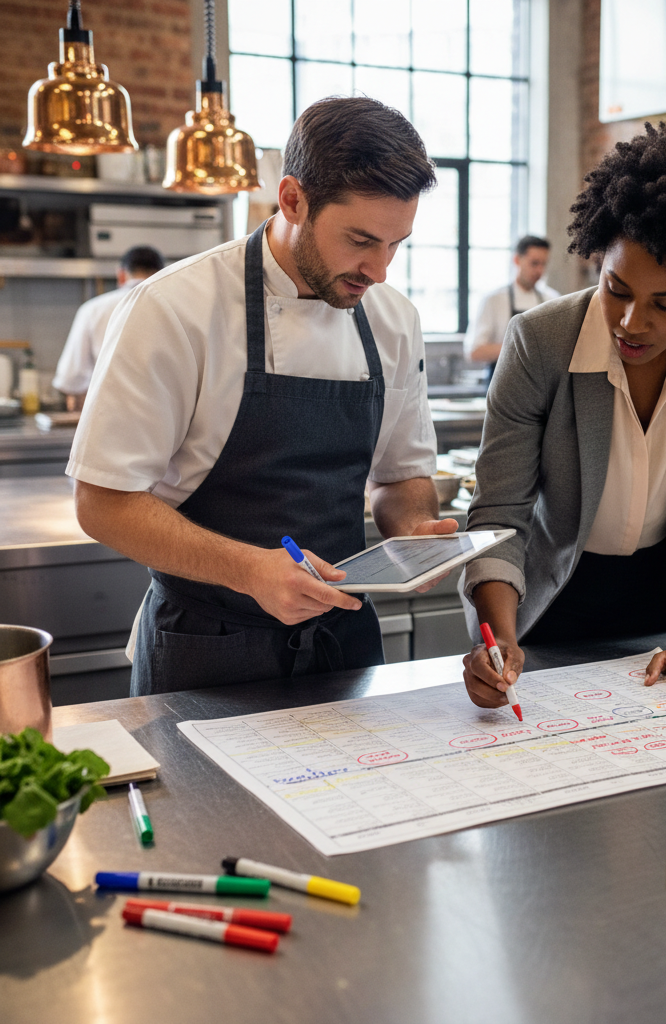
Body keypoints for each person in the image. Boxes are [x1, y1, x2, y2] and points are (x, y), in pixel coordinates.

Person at [68, 97, 458, 696]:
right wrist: (249, 570)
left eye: (395, 244)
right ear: (293, 199)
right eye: (360, 240)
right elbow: (102, 502)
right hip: (205, 650)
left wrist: (413, 531)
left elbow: (400, 476)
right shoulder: (175, 308)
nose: (378, 270)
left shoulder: (394, 320)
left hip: (345, 647)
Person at [460, 121, 666, 711]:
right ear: (597, 256)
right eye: (617, 289)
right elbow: (500, 512)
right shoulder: (540, 339)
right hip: (548, 595)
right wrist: (498, 637)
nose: (633, 322)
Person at [52, 245, 165, 409]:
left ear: (121, 275)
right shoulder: (180, 309)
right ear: (164, 274)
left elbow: (72, 377)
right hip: (165, 416)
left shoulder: (93, 310)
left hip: (109, 414)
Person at [463, 235, 559, 379]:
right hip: (502, 384)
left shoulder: (552, 299)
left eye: (543, 264)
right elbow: (474, 352)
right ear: (517, 260)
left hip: (541, 386)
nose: (539, 271)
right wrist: (523, 349)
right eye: (534, 263)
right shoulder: (494, 300)